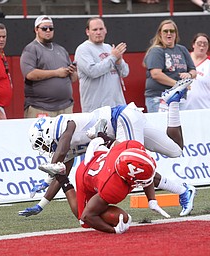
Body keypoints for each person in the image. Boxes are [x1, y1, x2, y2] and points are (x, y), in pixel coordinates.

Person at [18, 79, 196, 218]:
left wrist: (50, 171)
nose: (46, 148)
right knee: (175, 150)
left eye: (43, 143)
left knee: (130, 163)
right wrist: (41, 204)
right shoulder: (64, 146)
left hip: (120, 118)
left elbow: (62, 149)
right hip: (128, 118)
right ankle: (173, 102)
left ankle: (182, 189)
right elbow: (61, 175)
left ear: (48, 132)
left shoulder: (63, 124)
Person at [46, 138, 156, 234]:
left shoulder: (131, 146)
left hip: (100, 156)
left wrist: (152, 200)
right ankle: (62, 177)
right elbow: (87, 216)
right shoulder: (113, 186)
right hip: (85, 173)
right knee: (84, 221)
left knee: (97, 209)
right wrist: (113, 230)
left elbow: (115, 144)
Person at [20, 15, 77, 118]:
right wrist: (56, 73)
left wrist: (72, 72)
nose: (48, 30)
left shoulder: (61, 50)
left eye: (51, 28)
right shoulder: (31, 49)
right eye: (44, 28)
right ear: (36, 29)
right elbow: (30, 74)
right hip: (40, 107)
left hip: (65, 107)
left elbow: (74, 78)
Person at [74, 17, 129, 113]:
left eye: (101, 29)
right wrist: (113, 58)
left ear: (105, 30)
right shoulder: (83, 49)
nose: (98, 32)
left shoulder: (109, 48)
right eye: (95, 30)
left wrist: (119, 61)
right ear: (88, 32)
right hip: (96, 109)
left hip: (118, 106)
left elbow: (125, 73)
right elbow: (92, 71)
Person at [143, 19, 197, 113]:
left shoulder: (182, 49)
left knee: (180, 127)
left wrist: (189, 75)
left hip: (180, 98)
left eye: (172, 31)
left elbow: (193, 70)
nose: (169, 33)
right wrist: (178, 85)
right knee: (161, 127)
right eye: (165, 31)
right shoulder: (156, 51)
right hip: (159, 98)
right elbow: (156, 74)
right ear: (160, 33)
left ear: (176, 34)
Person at [182, 33, 210, 110]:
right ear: (193, 44)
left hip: (204, 109)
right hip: (183, 108)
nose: (202, 47)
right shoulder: (183, 59)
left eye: (205, 44)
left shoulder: (208, 64)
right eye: (199, 43)